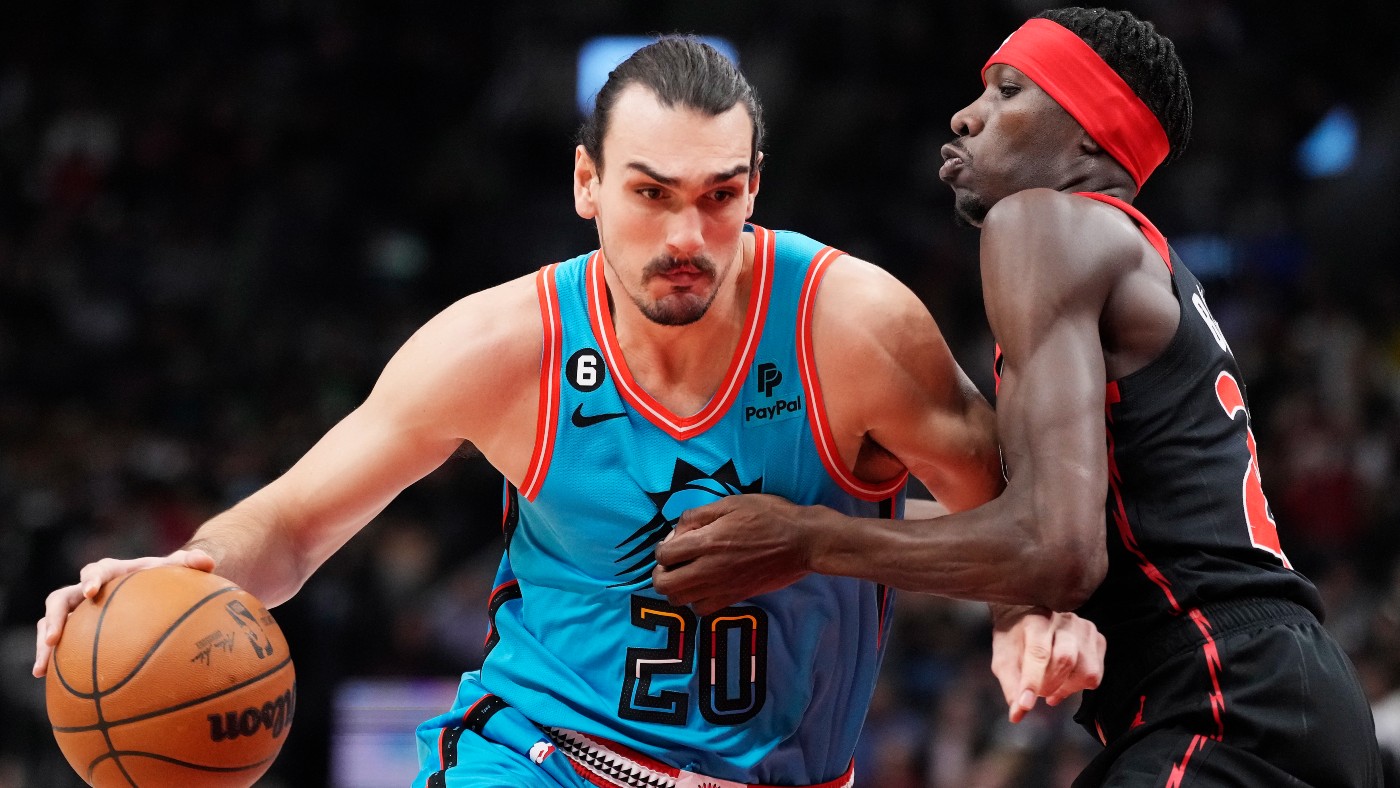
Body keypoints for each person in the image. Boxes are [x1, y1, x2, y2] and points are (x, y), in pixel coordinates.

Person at [33, 37, 1105, 787]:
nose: (685, 235)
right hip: (540, 757)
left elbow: (1005, 521)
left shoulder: (853, 325)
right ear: (587, 182)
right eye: (650, 192)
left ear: (755, 185)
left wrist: (1025, 618)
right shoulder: (504, 344)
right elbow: (296, 523)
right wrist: (187, 571)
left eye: (718, 195)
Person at [652, 9, 1384, 786]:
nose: (966, 116)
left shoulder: (1044, 225)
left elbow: (1056, 551)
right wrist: (798, 511)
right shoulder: (1124, 257)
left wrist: (807, 540)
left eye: (1008, 91)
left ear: (1090, 138)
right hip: (1258, 693)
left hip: (1225, 697)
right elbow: (1051, 525)